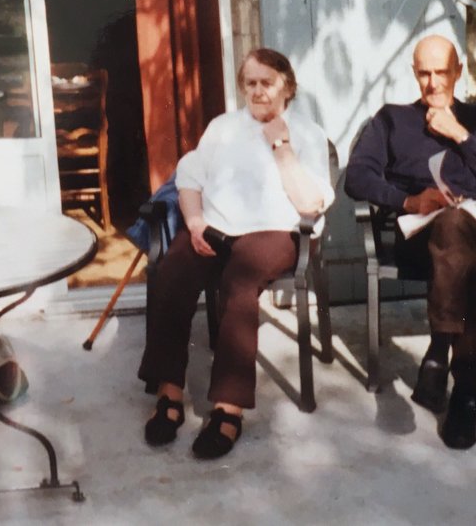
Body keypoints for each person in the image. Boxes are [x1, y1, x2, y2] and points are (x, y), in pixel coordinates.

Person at [138, 48, 333, 459]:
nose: (258, 91)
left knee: (239, 284)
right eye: (250, 83)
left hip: (278, 231)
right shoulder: (222, 127)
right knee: (171, 272)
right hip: (215, 227)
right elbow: (189, 179)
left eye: (267, 83)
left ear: (287, 86)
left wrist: (282, 146)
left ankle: (228, 409)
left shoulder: (307, 133)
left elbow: (309, 203)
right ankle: (169, 393)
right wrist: (194, 223)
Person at [345, 34, 476, 450]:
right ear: (414, 73)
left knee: (458, 225)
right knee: (470, 260)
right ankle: (467, 392)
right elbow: (357, 177)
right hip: (419, 235)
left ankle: (441, 352)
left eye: (442, 72)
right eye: (425, 73)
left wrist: (460, 135)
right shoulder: (392, 119)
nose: (434, 82)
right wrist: (408, 201)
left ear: (458, 72)